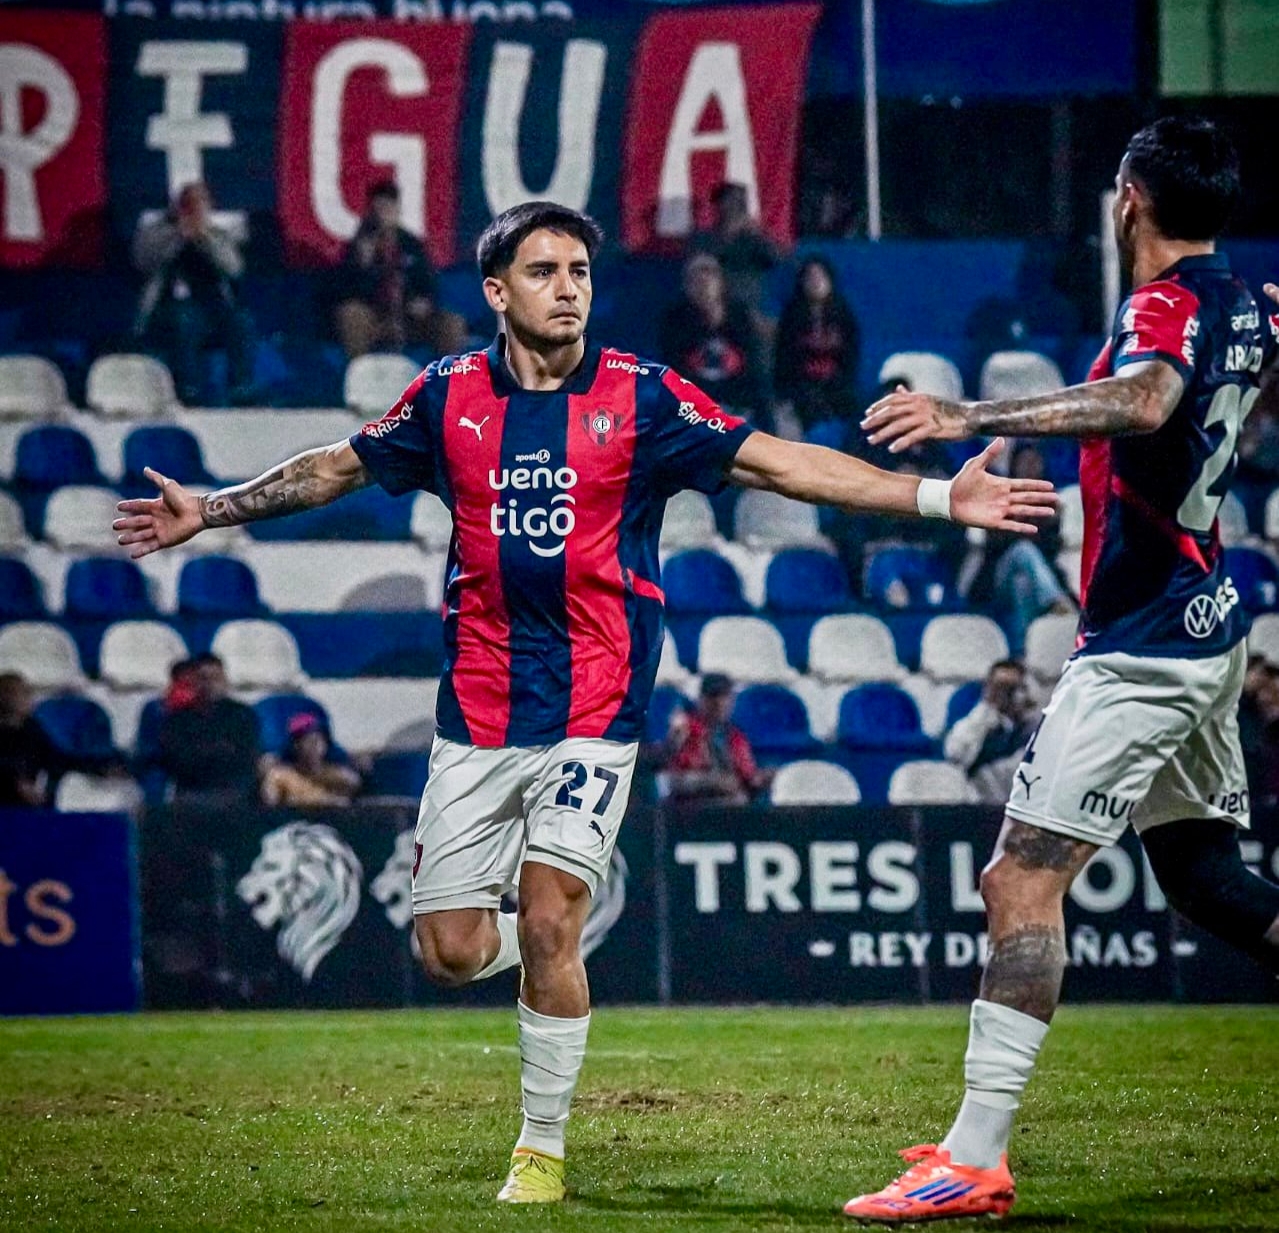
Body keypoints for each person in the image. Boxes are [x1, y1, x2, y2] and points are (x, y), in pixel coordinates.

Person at [113, 200, 1054, 1206]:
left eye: (579, 272)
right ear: (495, 291)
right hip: (476, 713)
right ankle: (534, 957)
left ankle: (541, 1146)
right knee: (451, 952)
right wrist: (209, 510)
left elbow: (780, 463)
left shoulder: (643, 396)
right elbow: (333, 468)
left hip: (596, 706)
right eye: (544, 271)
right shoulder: (446, 398)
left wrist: (930, 497)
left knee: (555, 918)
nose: (567, 288)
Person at [847, 116, 1279, 1222]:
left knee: (1018, 881)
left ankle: (974, 1158)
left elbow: (1141, 401)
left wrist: (963, 414)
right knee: (1202, 877)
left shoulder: (1166, 305)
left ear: (1127, 196)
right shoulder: (1250, 302)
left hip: (1144, 645)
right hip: (1209, 620)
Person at [133, 181, 258, 405]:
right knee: (184, 319)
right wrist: (178, 236)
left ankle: (241, 387)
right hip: (165, 310)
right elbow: (143, 262)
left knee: (241, 321)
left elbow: (234, 268)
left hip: (212, 308)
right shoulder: (154, 233)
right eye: (187, 204)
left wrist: (204, 238)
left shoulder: (217, 234)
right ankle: (187, 390)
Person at [335, 180, 468, 360]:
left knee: (452, 322)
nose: (383, 215)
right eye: (379, 209)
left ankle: (448, 377)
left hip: (408, 317)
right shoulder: (358, 246)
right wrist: (364, 266)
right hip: (374, 318)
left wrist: (422, 302)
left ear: (397, 211)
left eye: (388, 209)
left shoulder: (412, 245)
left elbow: (427, 284)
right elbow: (346, 292)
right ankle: (361, 372)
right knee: (351, 316)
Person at [658, 252, 770, 424]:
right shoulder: (674, 321)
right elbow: (673, 371)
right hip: (693, 410)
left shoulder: (740, 316)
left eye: (709, 275)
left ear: (721, 282)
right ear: (686, 286)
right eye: (696, 279)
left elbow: (754, 368)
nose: (704, 284)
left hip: (738, 406)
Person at [155, 653, 262, 804]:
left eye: (216, 678)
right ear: (194, 683)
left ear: (225, 680)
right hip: (193, 792)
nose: (210, 684)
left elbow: (247, 756)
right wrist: (221, 752)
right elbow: (176, 761)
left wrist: (206, 752)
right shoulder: (177, 720)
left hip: (235, 791)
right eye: (204, 678)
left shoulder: (243, 715)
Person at [0, 673, 119, 807]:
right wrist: (15, 782)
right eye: (22, 693)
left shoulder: (31, 730)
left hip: (23, 805)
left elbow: (56, 758)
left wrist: (98, 768)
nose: (29, 697)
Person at [773, 257, 860, 435]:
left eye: (820, 277)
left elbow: (851, 358)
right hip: (799, 389)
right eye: (810, 277)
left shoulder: (844, 316)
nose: (816, 282)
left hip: (836, 388)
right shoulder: (791, 317)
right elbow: (784, 360)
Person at [664, 674, 771, 805]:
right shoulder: (686, 730)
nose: (719, 703)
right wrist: (713, 782)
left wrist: (760, 778)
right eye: (713, 697)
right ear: (701, 700)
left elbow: (747, 775)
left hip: (729, 805)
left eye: (725, 697)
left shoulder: (735, 737)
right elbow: (675, 781)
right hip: (693, 806)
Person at [943, 660, 1039, 805]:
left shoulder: (1034, 727)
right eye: (1001, 688)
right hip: (982, 805)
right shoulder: (978, 723)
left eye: (1012, 688)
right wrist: (987, 706)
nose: (1007, 695)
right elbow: (954, 753)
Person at [691, 181, 782, 318]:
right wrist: (726, 237)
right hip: (708, 309)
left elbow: (775, 259)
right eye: (726, 202)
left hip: (746, 308)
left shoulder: (754, 239)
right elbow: (697, 267)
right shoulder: (703, 239)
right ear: (717, 207)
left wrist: (757, 234)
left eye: (737, 203)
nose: (730, 208)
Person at [260, 713, 362, 808]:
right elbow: (268, 806)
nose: (315, 747)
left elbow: (353, 795)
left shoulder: (340, 777)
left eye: (318, 740)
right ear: (296, 746)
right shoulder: (281, 776)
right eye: (308, 741)